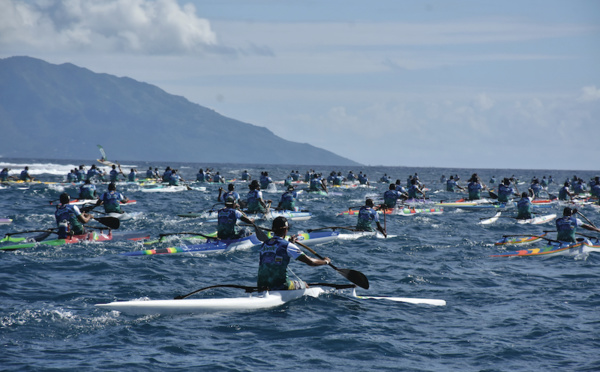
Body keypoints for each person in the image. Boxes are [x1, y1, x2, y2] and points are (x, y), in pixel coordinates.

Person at [257, 216, 331, 290]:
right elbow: (311, 262)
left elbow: (277, 251)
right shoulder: (288, 246)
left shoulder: (264, 244)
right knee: (304, 285)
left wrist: (291, 244)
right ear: (286, 229)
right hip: (281, 286)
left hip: (261, 285)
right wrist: (325, 261)